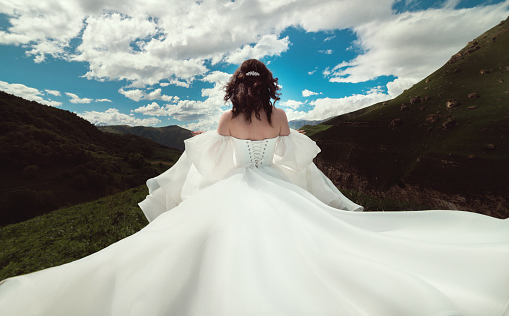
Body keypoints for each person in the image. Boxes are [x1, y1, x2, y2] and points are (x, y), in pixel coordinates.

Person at [0, 59, 508, 316]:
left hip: (237, 186)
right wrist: (310, 188)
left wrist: (194, 183)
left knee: (197, 245)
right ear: (267, 87)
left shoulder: (225, 119)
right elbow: (292, 157)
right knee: (314, 238)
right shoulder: (281, 116)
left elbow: (211, 164)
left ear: (236, 89)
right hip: (273, 184)